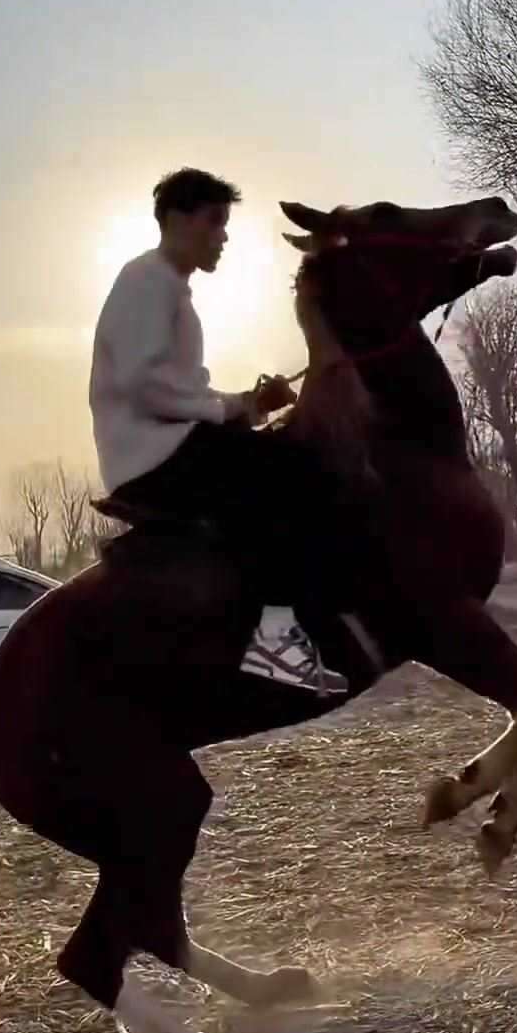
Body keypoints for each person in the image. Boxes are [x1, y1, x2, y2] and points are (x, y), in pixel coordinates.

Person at [89, 167, 346, 692]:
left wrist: (248, 406)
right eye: (214, 222)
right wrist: (227, 413)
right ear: (177, 219)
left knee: (283, 451)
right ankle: (277, 643)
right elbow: (142, 384)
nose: (223, 236)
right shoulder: (147, 281)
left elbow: (180, 391)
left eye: (225, 224)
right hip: (152, 456)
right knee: (295, 471)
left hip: (165, 445)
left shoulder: (167, 287)